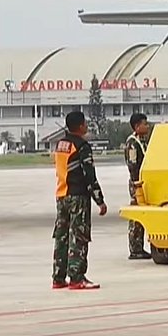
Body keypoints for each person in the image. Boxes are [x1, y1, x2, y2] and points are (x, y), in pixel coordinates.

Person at [53, 111, 107, 289]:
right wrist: (100, 200)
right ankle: (77, 277)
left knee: (62, 237)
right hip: (77, 196)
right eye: (85, 123)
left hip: (62, 195)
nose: (87, 126)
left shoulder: (61, 144)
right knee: (79, 235)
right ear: (80, 126)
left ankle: (58, 277)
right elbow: (89, 175)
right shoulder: (82, 146)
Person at [125, 113, 152, 260]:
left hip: (142, 182)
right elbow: (133, 165)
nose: (147, 126)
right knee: (136, 215)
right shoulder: (133, 143)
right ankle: (135, 248)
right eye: (144, 124)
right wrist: (136, 184)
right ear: (137, 126)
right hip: (137, 183)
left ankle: (139, 246)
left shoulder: (143, 141)